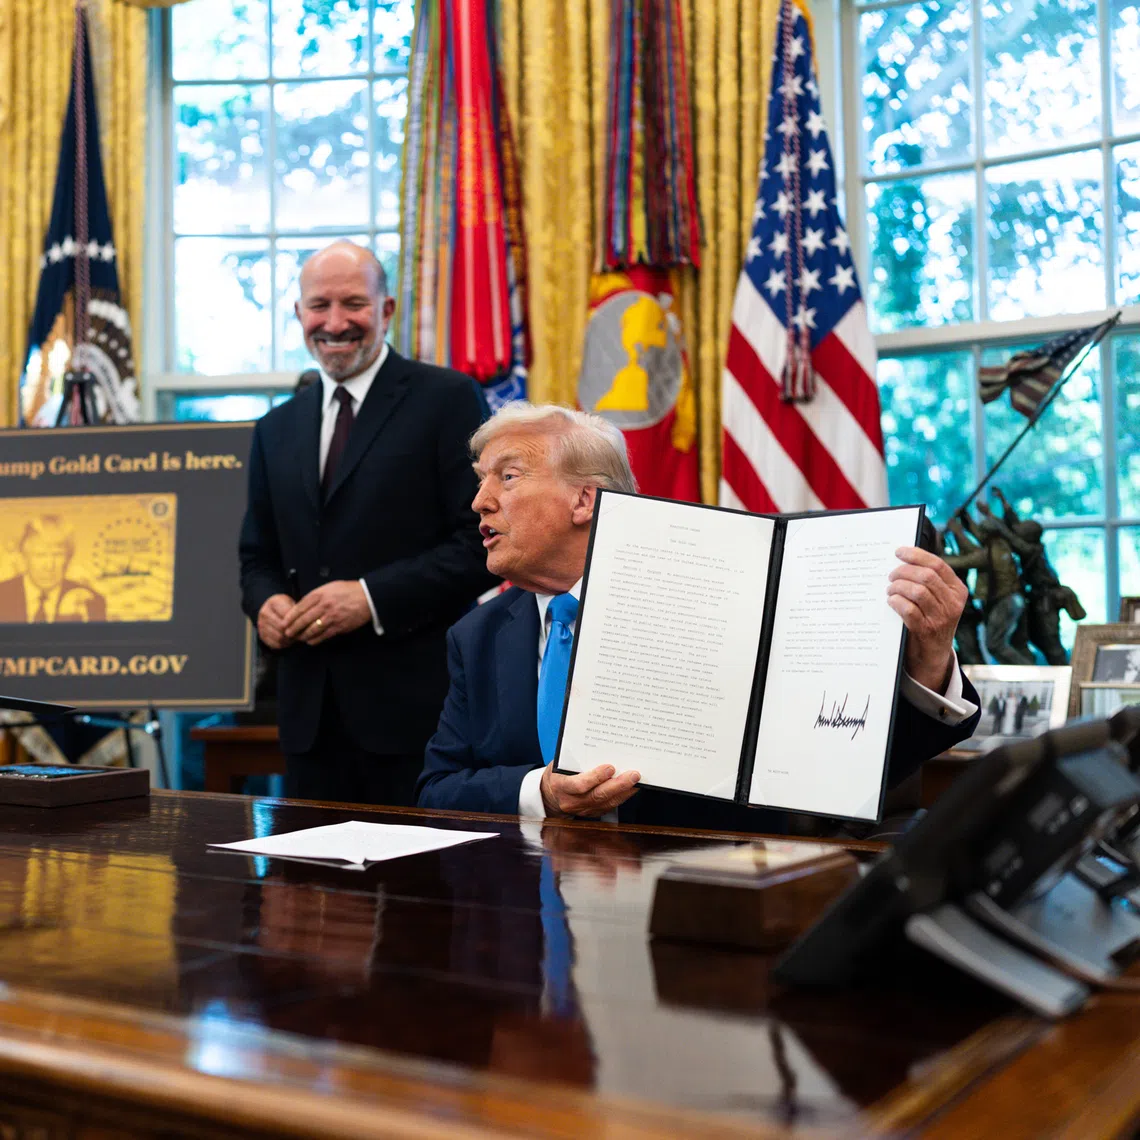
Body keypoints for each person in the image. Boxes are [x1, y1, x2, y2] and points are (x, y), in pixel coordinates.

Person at [416, 403, 982, 831]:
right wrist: (541, 792)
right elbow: (437, 791)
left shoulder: (719, 603)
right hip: (519, 922)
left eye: (506, 478)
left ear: (584, 501)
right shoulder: (478, 634)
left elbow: (847, 763)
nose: (479, 502)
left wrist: (930, 656)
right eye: (481, 480)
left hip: (699, 905)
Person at [239, 240, 496, 806]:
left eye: (353, 303)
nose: (335, 322)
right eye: (318, 305)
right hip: (308, 719)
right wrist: (265, 605)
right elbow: (255, 556)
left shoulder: (447, 399)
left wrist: (369, 598)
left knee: (422, 889)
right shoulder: (274, 428)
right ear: (300, 314)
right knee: (312, 888)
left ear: (386, 310)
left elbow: (482, 546)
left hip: (417, 715)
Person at [0, 516, 106, 623]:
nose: (49, 566)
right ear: (24, 557)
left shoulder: (92, 601)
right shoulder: (2, 595)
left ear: (69, 558)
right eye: (40, 555)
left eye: (58, 554)